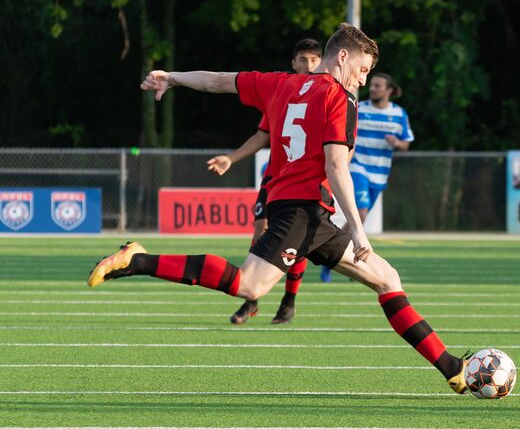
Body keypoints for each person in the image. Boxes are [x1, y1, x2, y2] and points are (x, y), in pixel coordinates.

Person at [88, 23, 471, 394]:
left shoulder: (279, 83)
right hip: (302, 211)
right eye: (362, 70)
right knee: (249, 285)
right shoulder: (340, 98)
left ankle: (452, 369)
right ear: (342, 57)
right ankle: (137, 260)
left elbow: (218, 80)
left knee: (387, 279)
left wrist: (172, 77)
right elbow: (337, 166)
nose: (362, 80)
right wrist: (357, 227)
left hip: (305, 209)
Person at [213, 38, 322, 325]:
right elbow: (262, 136)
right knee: (260, 231)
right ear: (293, 62)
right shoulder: (281, 92)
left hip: (307, 181)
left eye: (313, 60)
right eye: (303, 59)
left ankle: (288, 300)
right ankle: (252, 300)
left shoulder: (329, 94)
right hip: (277, 177)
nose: (308, 65)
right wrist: (231, 158)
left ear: (321, 63)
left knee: (297, 242)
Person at [319, 73, 413, 282]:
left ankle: (343, 256)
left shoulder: (399, 114)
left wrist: (396, 143)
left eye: (378, 86)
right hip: (357, 167)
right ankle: (335, 256)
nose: (372, 89)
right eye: (372, 85)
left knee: (358, 221)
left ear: (389, 90)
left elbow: (406, 143)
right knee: (359, 215)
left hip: (379, 174)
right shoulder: (358, 107)